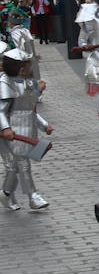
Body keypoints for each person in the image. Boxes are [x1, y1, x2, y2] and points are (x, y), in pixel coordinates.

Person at [0, 47, 52, 210]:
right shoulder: (4, 83)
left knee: (14, 167)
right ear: (21, 69)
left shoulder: (28, 83)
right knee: (22, 165)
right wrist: (6, 128)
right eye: (29, 65)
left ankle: (5, 193)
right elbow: (1, 110)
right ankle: (33, 197)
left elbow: (30, 109)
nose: (32, 68)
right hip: (11, 134)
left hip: (27, 131)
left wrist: (44, 125)